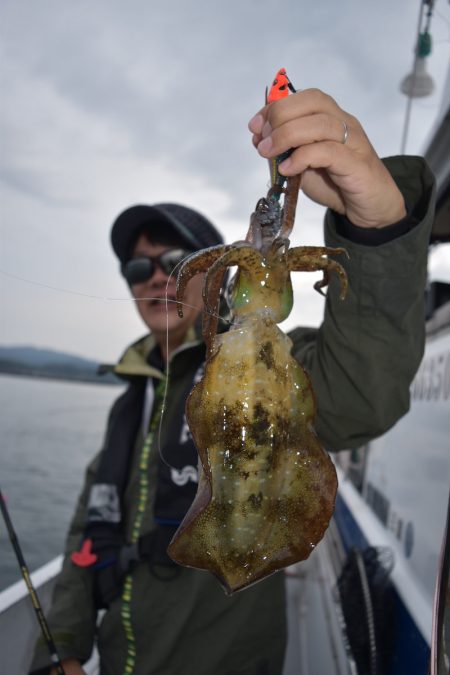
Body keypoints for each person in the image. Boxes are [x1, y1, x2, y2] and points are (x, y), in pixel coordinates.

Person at [30, 88, 435, 675]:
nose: (156, 279)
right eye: (136, 268)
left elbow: (362, 394)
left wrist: (376, 229)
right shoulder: (132, 401)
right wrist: (62, 649)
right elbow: (86, 536)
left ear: (214, 268)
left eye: (174, 262)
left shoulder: (270, 362)